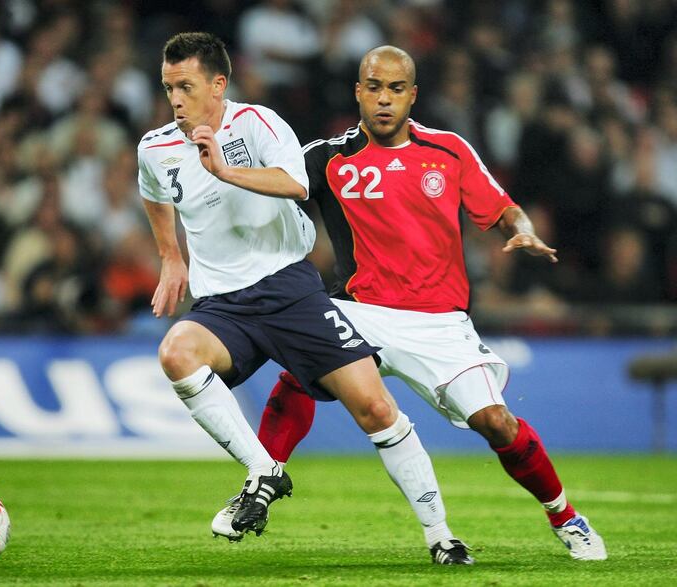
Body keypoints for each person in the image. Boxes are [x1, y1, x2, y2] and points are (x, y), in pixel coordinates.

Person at [213, 46, 607, 562]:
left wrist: (524, 230)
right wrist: (223, 170)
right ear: (358, 91)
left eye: (395, 89)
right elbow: (276, 180)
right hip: (362, 310)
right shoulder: (328, 157)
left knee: (497, 423)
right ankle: (262, 478)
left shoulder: (448, 150)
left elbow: (504, 208)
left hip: (440, 323)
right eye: (373, 87)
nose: (383, 99)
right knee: (302, 365)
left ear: (412, 95)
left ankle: (565, 516)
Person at [138, 32, 472, 564]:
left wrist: (223, 169)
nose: (175, 99)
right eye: (168, 87)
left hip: (289, 289)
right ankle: (264, 468)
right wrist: (170, 257)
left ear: (218, 85)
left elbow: (296, 183)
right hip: (224, 305)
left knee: (375, 407)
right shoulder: (155, 148)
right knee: (176, 352)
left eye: (186, 86)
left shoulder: (260, 124)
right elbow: (154, 194)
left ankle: (441, 535)